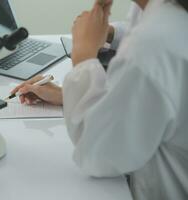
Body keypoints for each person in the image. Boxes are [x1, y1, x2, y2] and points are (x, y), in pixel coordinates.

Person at [11, 0, 188, 199]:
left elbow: (99, 155)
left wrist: (83, 56)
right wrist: (66, 94)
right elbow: (139, 37)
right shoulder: (165, 12)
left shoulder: (154, 45)